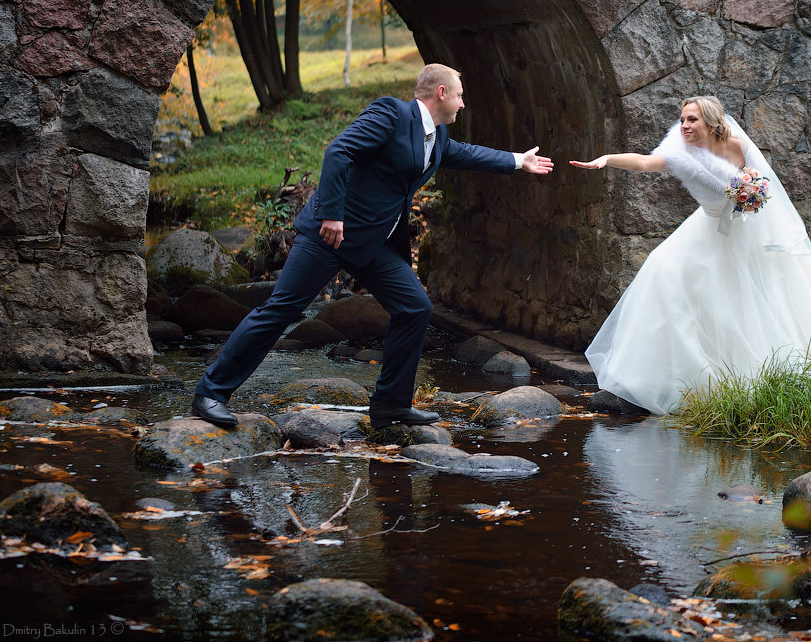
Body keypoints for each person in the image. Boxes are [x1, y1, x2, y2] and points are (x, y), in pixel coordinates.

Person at [191, 64, 554, 429]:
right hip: (330, 235)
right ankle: (211, 393)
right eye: (459, 95)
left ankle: (390, 406)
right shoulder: (391, 113)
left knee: (414, 307)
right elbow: (338, 152)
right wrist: (332, 213)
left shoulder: (438, 139)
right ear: (441, 92)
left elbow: (468, 154)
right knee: (281, 311)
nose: (462, 104)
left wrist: (517, 161)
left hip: (373, 243)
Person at [569, 95, 811, 414]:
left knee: (748, 299)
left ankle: (762, 378)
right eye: (682, 119)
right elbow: (645, 163)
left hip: (744, 231)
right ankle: (683, 375)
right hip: (707, 226)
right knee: (663, 268)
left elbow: (763, 187)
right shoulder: (678, 151)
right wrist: (607, 159)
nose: (683, 125)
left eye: (692, 120)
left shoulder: (738, 146)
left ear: (711, 122)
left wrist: (750, 193)